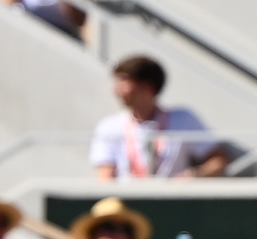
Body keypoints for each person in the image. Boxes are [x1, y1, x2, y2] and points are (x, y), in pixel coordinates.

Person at [89, 55, 229, 180]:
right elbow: (105, 177)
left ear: (147, 87)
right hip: (126, 203)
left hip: (171, 202)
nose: (117, 90)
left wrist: (192, 176)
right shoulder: (109, 126)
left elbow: (219, 159)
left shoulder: (183, 119)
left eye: (123, 82)